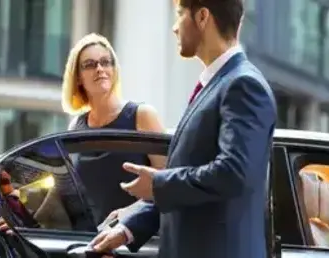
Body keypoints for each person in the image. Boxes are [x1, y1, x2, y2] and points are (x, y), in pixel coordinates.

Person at [90, 0, 277, 257]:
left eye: (179, 15)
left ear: (202, 17)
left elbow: (233, 173)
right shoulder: (217, 85)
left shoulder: (242, 84)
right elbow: (190, 186)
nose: (175, 28)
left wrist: (158, 183)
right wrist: (128, 228)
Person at [61, 32, 166, 226]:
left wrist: (131, 212)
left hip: (136, 241)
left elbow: (170, 184)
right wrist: (20, 221)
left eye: (105, 62)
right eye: (90, 65)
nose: (100, 69)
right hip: (91, 243)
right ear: (78, 78)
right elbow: (63, 195)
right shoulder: (76, 127)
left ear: (114, 69)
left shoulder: (142, 115)